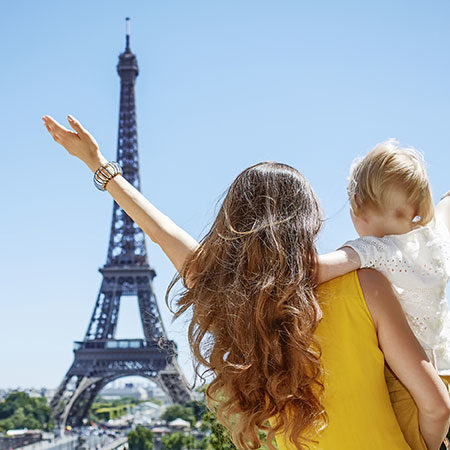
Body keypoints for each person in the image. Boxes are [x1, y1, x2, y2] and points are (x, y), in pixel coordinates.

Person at [42, 115, 450, 449]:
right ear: (308, 221)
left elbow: (160, 230)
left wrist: (98, 165)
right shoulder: (367, 286)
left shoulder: (233, 299)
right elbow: (436, 408)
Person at [317, 140, 450, 448]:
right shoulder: (437, 242)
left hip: (406, 383)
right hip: (441, 372)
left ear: (357, 203)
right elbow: (445, 209)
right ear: (416, 205)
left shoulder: (374, 250)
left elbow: (315, 270)